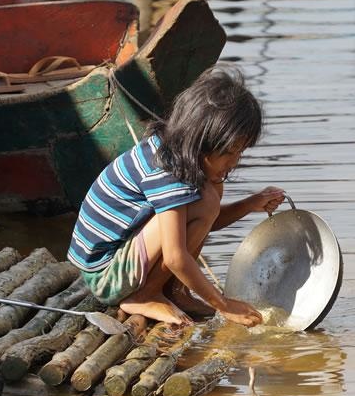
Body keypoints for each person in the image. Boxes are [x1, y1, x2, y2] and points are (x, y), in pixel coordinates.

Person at [66, 64, 285, 326]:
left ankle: (174, 291)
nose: (234, 162)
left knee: (210, 193)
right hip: (106, 274)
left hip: (124, 258)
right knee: (206, 200)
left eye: (240, 152)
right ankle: (145, 295)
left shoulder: (178, 155)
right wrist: (223, 305)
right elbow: (174, 255)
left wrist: (250, 204)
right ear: (201, 141)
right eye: (229, 152)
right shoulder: (166, 171)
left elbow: (202, 224)